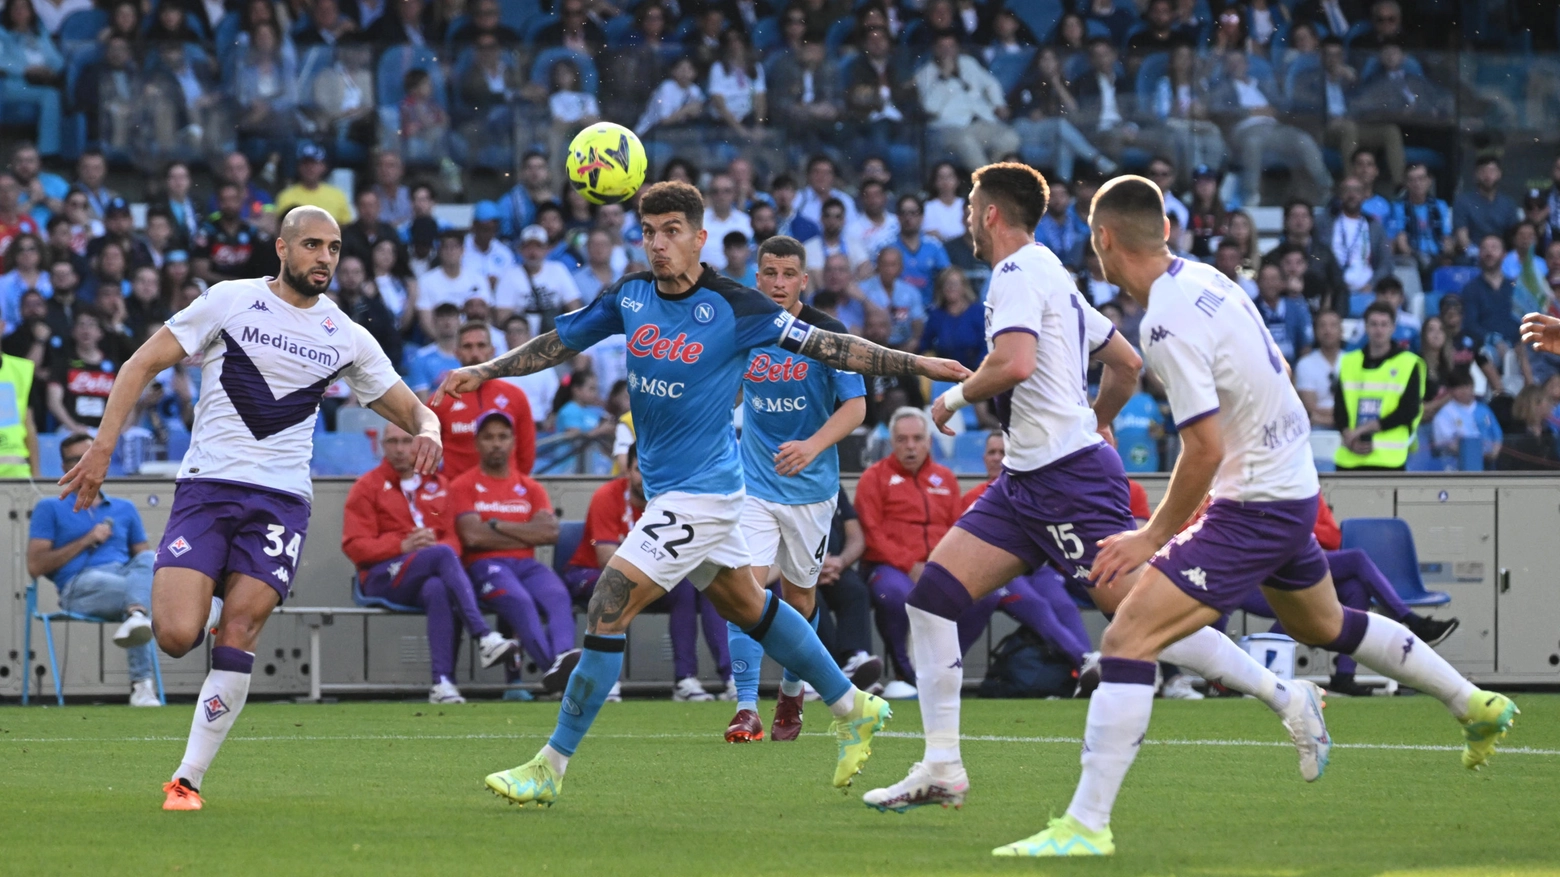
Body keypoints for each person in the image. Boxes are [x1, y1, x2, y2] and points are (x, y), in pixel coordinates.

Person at [1005, 176, 1513, 857]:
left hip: (1255, 503)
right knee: (1323, 623)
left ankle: (1085, 824)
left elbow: (1204, 446)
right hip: (1289, 483)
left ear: (1103, 240)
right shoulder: (1207, 278)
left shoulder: (1162, 321)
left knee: (1127, 637)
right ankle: (1473, 704)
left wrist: (1152, 534)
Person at [432, 180, 969, 805]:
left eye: (671, 231)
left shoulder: (738, 306)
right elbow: (560, 343)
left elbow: (833, 345)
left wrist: (920, 364)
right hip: (668, 487)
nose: (658, 244)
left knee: (609, 602)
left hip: (706, 494)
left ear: (699, 237)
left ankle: (550, 764)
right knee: (749, 607)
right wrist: (486, 368)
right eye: (649, 231)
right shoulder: (629, 295)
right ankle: (854, 706)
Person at [864, 164, 1310, 815]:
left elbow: (1015, 363)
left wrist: (954, 397)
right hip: (1024, 480)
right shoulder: (1051, 270)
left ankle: (1284, 695)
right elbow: (1125, 363)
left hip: (1067, 481)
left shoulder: (1016, 273)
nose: (964, 214)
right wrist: (1098, 417)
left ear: (990, 213)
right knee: (932, 600)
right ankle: (941, 764)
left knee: (1141, 614)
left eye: (969, 203)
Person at [57, 206, 443, 812]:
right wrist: (102, 448)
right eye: (312, 245)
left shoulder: (345, 335)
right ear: (281, 249)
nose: (325, 258)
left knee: (241, 631)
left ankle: (186, 780)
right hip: (208, 489)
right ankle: (202, 595)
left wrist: (432, 427)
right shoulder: (229, 301)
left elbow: (412, 408)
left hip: (282, 502)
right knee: (178, 635)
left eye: (335, 248)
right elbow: (141, 363)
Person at [724, 235, 867, 742]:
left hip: (811, 489)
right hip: (755, 484)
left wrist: (812, 444)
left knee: (801, 601)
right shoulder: (743, 328)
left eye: (789, 274)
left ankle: (791, 690)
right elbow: (729, 389)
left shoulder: (827, 333)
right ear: (756, 278)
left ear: (803, 280)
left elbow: (855, 406)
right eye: (770, 273)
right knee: (742, 589)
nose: (779, 283)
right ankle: (745, 707)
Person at [342, 422, 521, 703]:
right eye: (393, 442)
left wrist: (433, 547)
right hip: (380, 577)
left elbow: (453, 540)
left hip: (423, 573)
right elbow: (354, 546)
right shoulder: (366, 487)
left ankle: (442, 683)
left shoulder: (438, 484)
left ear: (418, 446)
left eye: (406, 441)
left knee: (437, 587)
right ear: (381, 446)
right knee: (440, 556)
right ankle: (484, 636)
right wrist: (401, 545)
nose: (400, 449)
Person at [562, 442, 731, 703]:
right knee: (617, 585)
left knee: (687, 588)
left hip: (647, 575)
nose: (647, 476)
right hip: (589, 574)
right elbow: (608, 559)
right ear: (627, 471)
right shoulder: (607, 496)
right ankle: (606, 680)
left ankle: (686, 679)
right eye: (640, 469)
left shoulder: (671, 502)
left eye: (654, 469)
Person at [447, 409, 579, 692]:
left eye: (503, 436)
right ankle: (555, 671)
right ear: (476, 443)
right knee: (520, 602)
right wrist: (526, 533)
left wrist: (496, 525)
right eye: (489, 437)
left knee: (557, 595)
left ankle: (565, 658)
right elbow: (472, 537)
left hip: (526, 566)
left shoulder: (530, 488)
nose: (496, 443)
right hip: (484, 567)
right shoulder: (463, 485)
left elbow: (550, 533)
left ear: (513, 441)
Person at [28, 434, 157, 705]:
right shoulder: (49, 507)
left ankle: (136, 615)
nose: (84, 464)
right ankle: (142, 683)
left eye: (89, 457)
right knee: (139, 594)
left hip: (124, 578)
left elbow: (144, 562)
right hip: (80, 586)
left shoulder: (125, 508)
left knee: (149, 559)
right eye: (76, 460)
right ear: (65, 468)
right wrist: (86, 540)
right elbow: (35, 566)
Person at [854, 408, 963, 699]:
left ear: (928, 441)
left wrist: (939, 565)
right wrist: (909, 564)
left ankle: (946, 668)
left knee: (983, 596)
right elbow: (872, 534)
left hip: (938, 566)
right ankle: (908, 675)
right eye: (902, 439)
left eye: (917, 438)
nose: (910, 446)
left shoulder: (946, 479)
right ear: (892, 442)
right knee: (895, 595)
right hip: (889, 566)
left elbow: (958, 531)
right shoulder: (873, 478)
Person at [428, 320, 534, 477]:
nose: (475, 353)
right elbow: (427, 454)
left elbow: (526, 456)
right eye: (467, 347)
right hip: (456, 494)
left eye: (481, 346)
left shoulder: (515, 396)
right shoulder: (439, 400)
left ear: (492, 351)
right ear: (457, 352)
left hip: (503, 494)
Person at [1333, 302, 1424, 470]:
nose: (1378, 330)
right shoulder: (1349, 361)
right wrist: (1348, 436)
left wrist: (1361, 430)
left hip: (1388, 460)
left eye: (1384, 324)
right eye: (1373, 324)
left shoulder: (1408, 363)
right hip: (1350, 457)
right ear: (1366, 327)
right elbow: (1340, 407)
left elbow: (1408, 411)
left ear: (1393, 328)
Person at [888, 195, 950, 305]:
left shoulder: (934, 246)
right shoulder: (888, 246)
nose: (908, 218)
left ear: (921, 217)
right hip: (896, 310)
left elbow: (947, 275)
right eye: (903, 213)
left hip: (931, 308)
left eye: (913, 213)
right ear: (897, 217)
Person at [274, 144, 353, 225]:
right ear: (298, 167)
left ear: (323, 166)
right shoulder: (285, 196)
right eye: (305, 163)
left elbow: (346, 226)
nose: (310, 168)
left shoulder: (337, 195)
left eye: (314, 163)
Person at [1296, 310, 1344, 428]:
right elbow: (1311, 410)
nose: (1328, 330)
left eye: (1333, 325)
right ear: (1315, 331)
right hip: (1318, 427)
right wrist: (1342, 416)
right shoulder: (1305, 364)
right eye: (1322, 325)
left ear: (1341, 331)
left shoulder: (1353, 362)